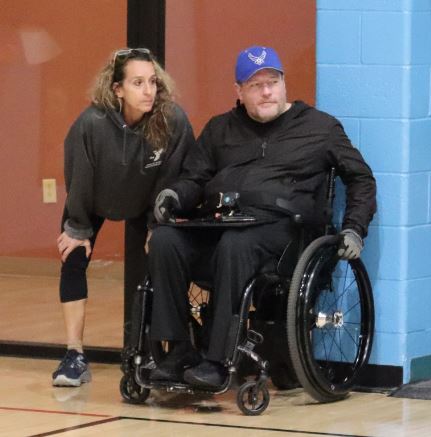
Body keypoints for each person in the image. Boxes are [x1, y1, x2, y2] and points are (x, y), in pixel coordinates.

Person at [148, 46, 377, 389]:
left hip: (282, 236)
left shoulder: (319, 127)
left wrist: (354, 229)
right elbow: (194, 179)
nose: (267, 91)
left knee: (237, 245)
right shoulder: (219, 129)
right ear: (239, 92)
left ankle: (218, 361)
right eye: (256, 85)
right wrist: (175, 196)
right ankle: (178, 350)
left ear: (284, 84)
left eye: (273, 81)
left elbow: (361, 179)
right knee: (166, 240)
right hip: (221, 225)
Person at [52, 48, 195, 387]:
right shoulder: (91, 124)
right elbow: (79, 178)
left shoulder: (172, 120)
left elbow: (174, 175)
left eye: (152, 82)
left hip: (145, 199)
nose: (148, 91)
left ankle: (144, 349)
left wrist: (156, 224)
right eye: (137, 83)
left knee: (156, 256)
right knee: (73, 254)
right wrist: (78, 227)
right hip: (96, 197)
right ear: (117, 89)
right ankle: (74, 355)